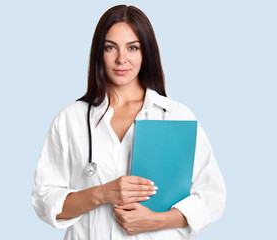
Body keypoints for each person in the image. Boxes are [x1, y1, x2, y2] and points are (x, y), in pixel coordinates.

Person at [32, 5, 226, 240]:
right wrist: (102, 194)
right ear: (98, 53)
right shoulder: (71, 119)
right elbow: (45, 201)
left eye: (132, 48)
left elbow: (211, 197)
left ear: (146, 53)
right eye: (110, 47)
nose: (121, 59)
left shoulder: (175, 116)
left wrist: (156, 221)